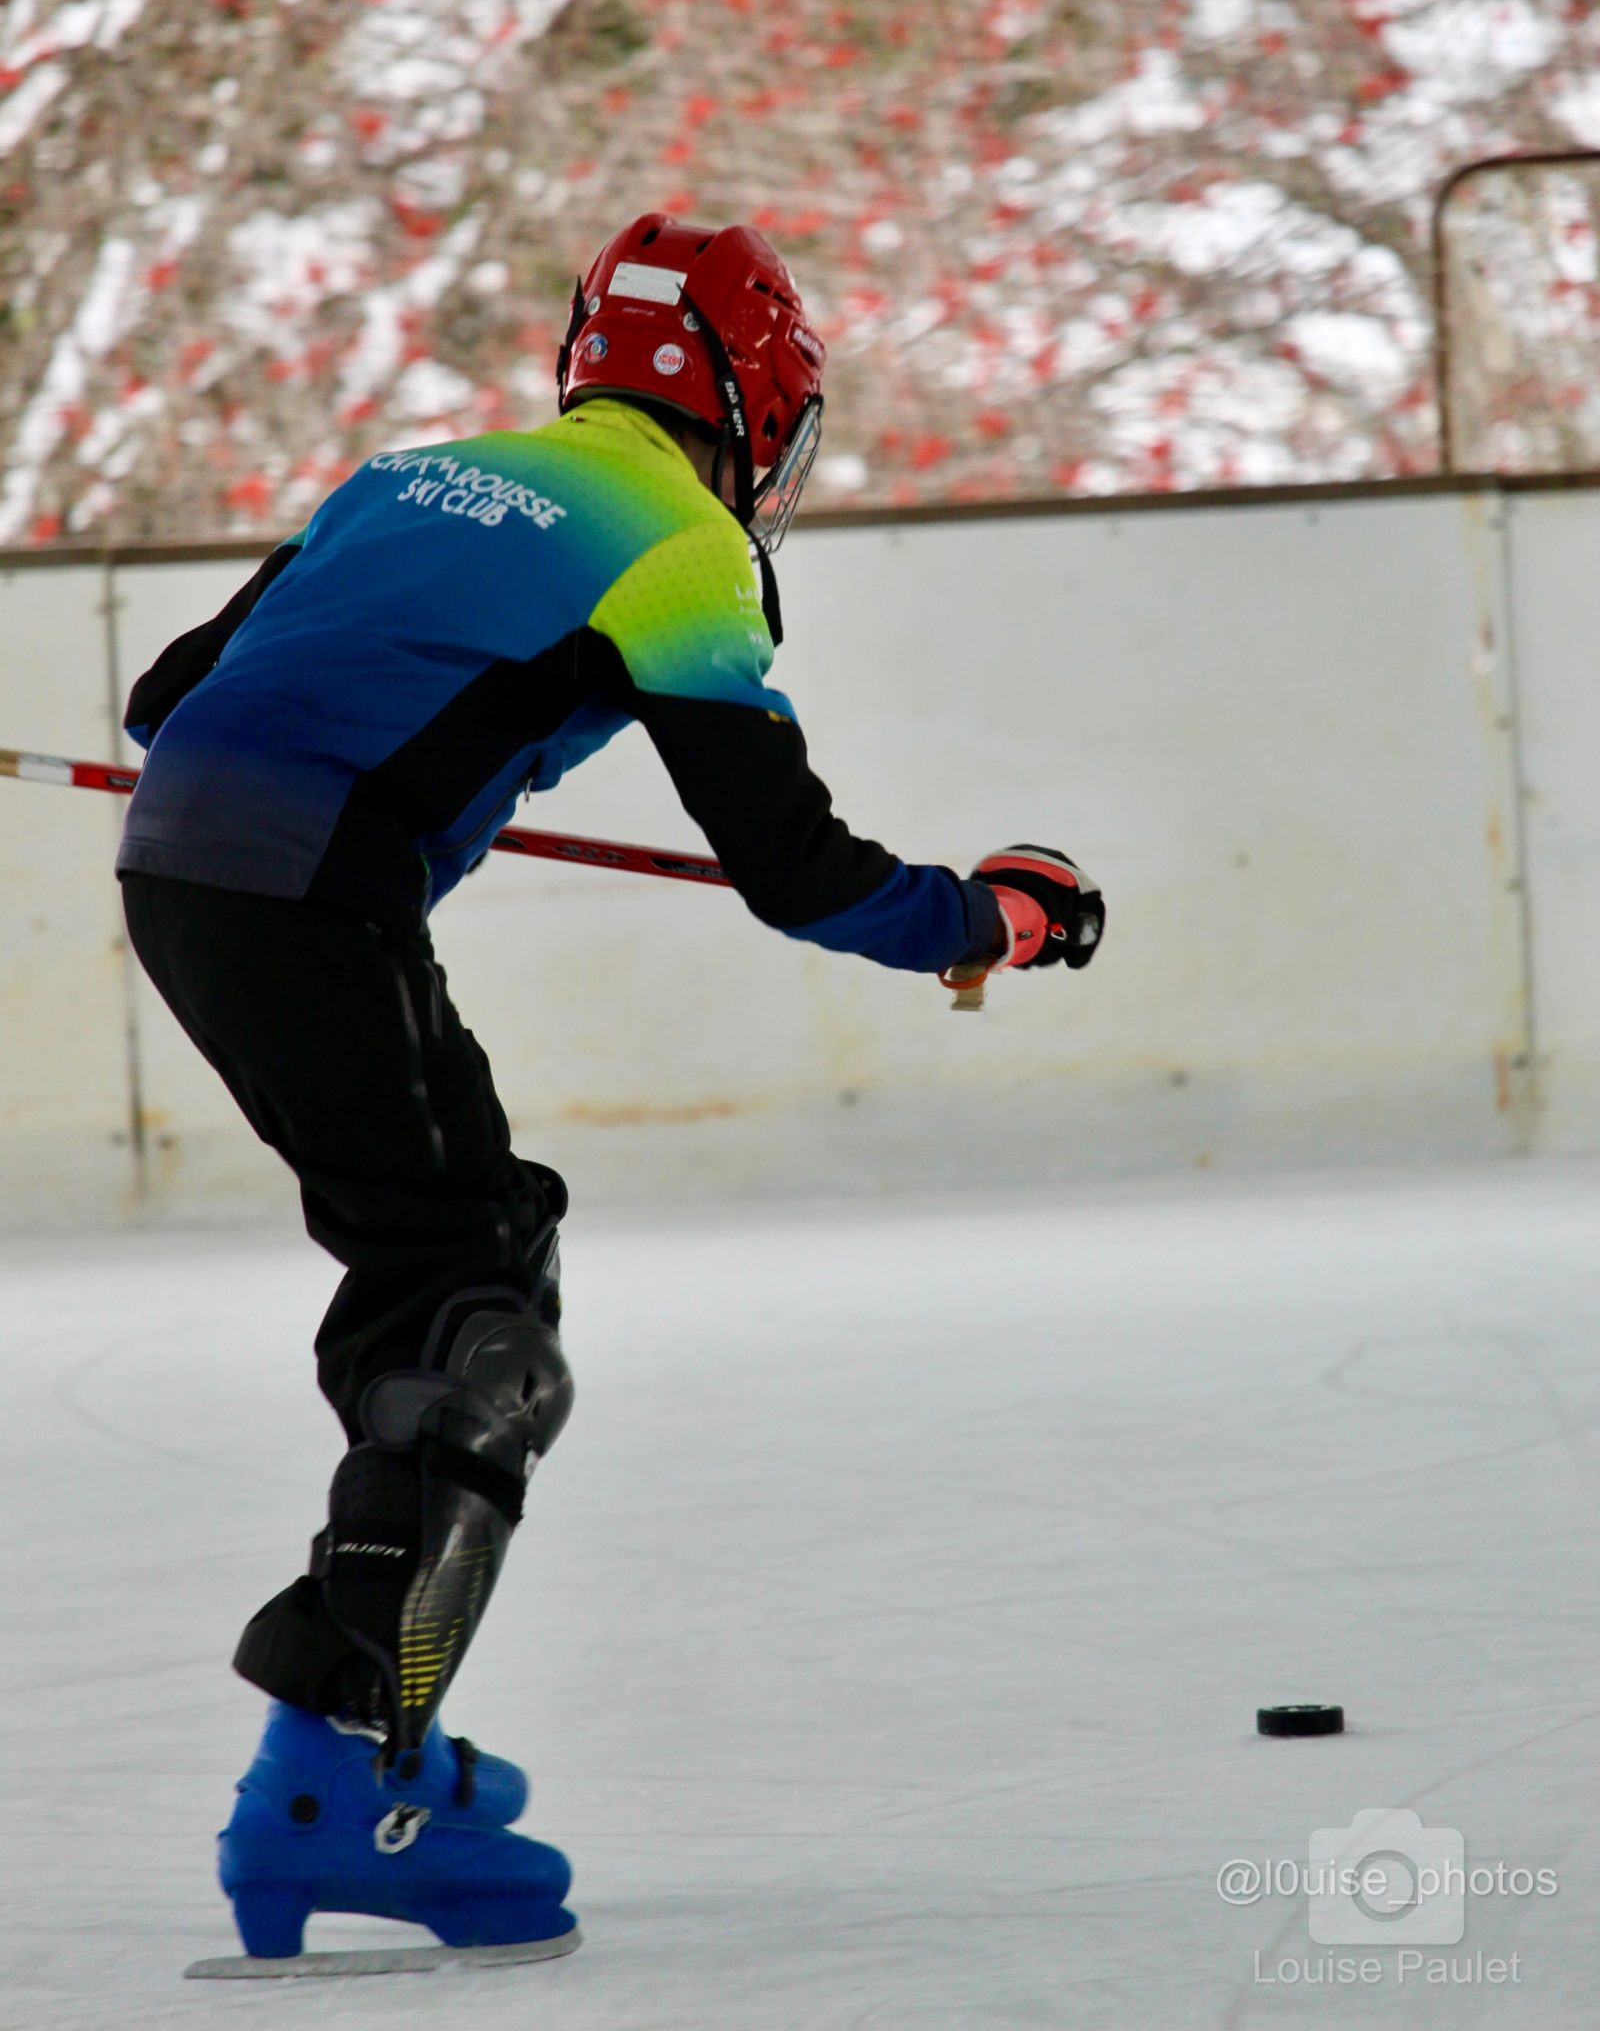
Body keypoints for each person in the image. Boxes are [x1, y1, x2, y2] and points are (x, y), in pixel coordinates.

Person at [118, 214, 1105, 1974]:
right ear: (761, 406)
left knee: (441, 1265)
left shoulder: (405, 475)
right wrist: (989, 918)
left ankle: (361, 1727)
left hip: (188, 869)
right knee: (479, 1317)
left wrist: (439, 753)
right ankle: (341, 1770)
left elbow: (167, 700)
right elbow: (797, 873)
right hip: (312, 885)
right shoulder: (685, 549)